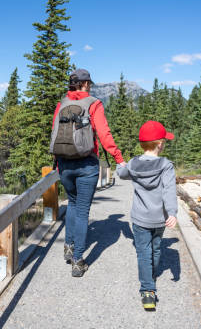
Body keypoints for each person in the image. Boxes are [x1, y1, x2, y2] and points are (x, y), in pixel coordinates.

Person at [51, 68, 126, 277]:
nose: (90, 86)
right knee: (82, 210)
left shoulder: (62, 104)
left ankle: (68, 246)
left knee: (72, 204)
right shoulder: (94, 104)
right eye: (89, 83)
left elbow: (55, 133)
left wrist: (58, 164)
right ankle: (78, 260)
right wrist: (119, 159)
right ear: (85, 84)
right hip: (86, 165)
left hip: (65, 164)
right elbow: (104, 134)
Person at [115, 120, 177, 310]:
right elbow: (169, 190)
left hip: (140, 219)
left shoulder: (133, 163)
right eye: (164, 141)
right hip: (160, 218)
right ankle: (151, 275)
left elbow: (122, 173)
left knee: (143, 253)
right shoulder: (165, 165)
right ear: (159, 144)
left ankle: (147, 291)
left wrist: (120, 165)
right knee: (156, 248)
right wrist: (172, 212)